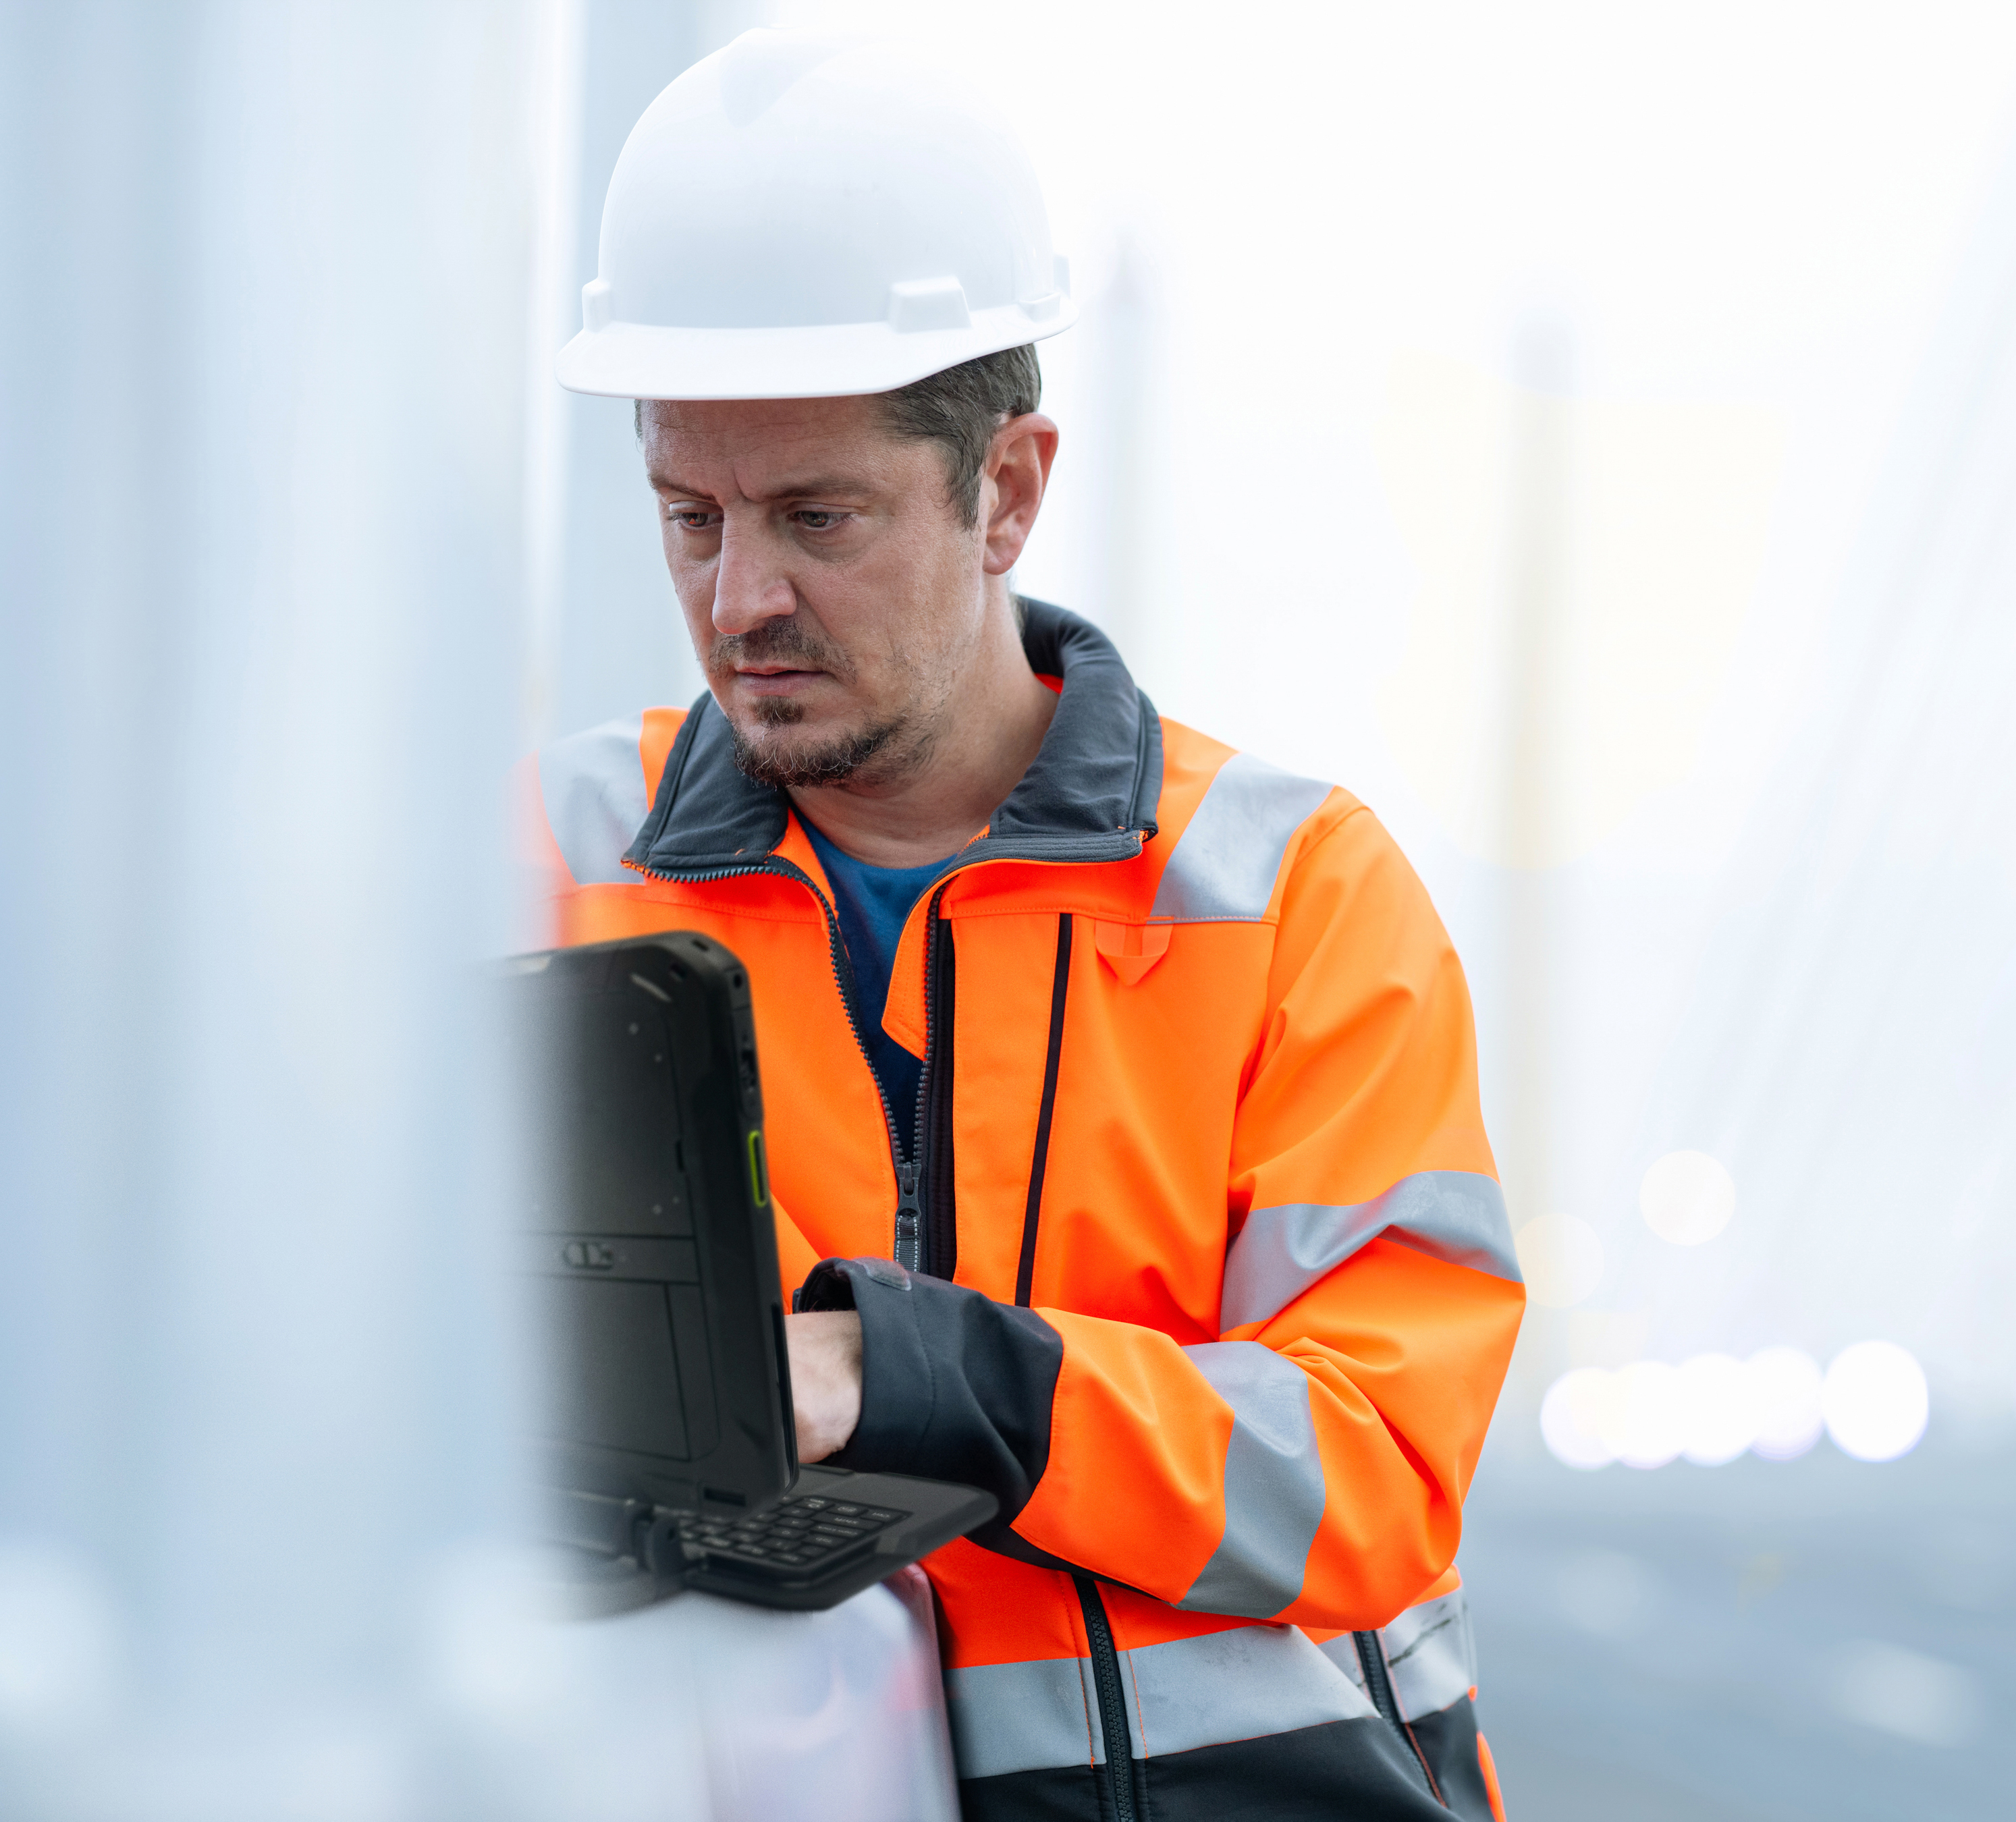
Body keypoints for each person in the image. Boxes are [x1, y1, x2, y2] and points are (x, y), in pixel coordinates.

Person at [524, 30, 1523, 1821]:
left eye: (817, 517)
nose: (740, 598)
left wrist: (911, 1376)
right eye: (692, 517)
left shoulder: (1292, 893)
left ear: (1009, 487)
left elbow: (1373, 1469)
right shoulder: (553, 856)